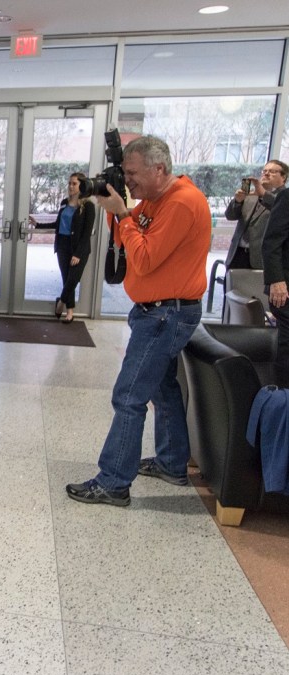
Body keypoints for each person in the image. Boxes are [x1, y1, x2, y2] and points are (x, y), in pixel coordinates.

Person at [65, 135, 211, 506]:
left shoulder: (181, 202)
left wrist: (126, 215)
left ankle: (113, 482)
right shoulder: (155, 201)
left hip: (167, 312)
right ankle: (172, 462)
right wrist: (119, 210)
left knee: (128, 396)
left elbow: (144, 258)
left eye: (132, 173)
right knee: (162, 389)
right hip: (157, 310)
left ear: (158, 168)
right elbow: (131, 240)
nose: (127, 180)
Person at [29, 172, 96, 323]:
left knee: (73, 279)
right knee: (66, 279)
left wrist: (78, 254)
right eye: (70, 183)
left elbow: (86, 234)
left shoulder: (88, 206)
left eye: (74, 184)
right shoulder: (64, 202)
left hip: (79, 248)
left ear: (82, 186)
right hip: (63, 245)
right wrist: (38, 225)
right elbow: (58, 224)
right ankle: (70, 312)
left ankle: (60, 303)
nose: (71, 186)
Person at [224, 160, 288, 269]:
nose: (266, 173)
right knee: (231, 285)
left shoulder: (284, 197)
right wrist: (238, 201)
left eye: (272, 171)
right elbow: (230, 216)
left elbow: (282, 209)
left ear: (283, 177)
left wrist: (264, 194)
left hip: (262, 259)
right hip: (237, 254)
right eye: (265, 171)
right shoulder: (251, 194)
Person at [262, 182, 289, 383]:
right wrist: (276, 280)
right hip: (284, 288)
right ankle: (283, 397)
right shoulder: (286, 197)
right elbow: (271, 242)